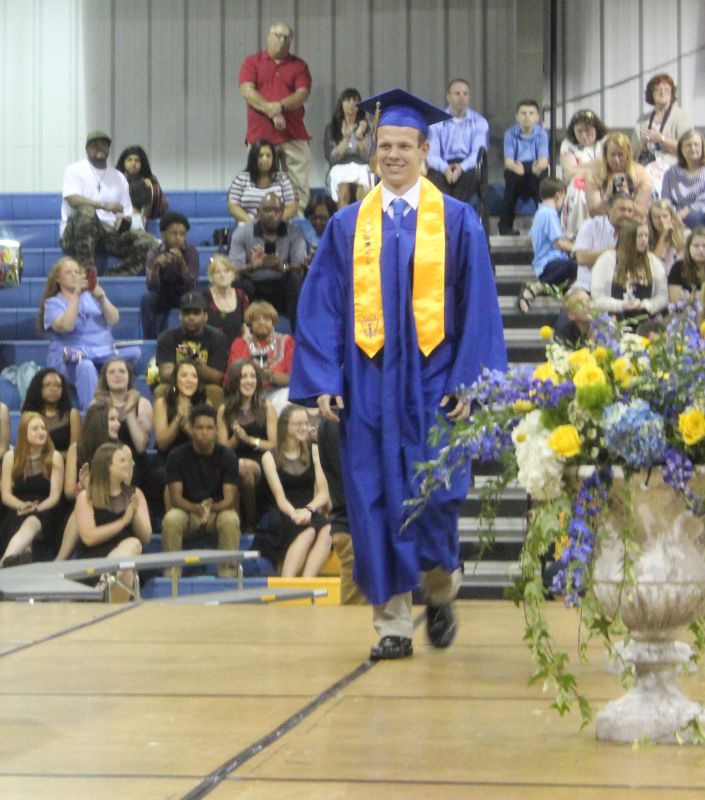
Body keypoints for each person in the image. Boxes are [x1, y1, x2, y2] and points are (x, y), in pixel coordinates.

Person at [289, 88, 507, 660]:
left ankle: (439, 588)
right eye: (384, 145)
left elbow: (479, 306)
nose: (393, 155)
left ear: (425, 150)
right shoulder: (347, 226)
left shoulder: (457, 221)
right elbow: (323, 306)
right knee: (372, 503)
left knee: (436, 500)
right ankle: (391, 625)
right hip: (368, 386)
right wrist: (325, 380)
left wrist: (469, 381)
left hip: (436, 387)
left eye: (404, 146)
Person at [39, 257, 141, 412]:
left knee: (135, 352)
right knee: (85, 366)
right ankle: (93, 415)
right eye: (68, 272)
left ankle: (118, 399)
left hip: (103, 352)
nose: (74, 275)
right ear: (58, 279)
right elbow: (66, 326)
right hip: (72, 359)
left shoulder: (92, 296)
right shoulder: (53, 303)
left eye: (77, 272)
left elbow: (114, 319)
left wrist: (102, 298)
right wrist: (76, 296)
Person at [161, 404, 241, 578]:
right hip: (188, 512)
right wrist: (196, 508)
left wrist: (211, 508)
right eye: (199, 428)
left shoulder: (228, 457)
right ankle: (172, 573)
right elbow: (175, 498)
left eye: (209, 428)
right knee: (171, 519)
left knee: (230, 519)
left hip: (217, 513)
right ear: (191, 429)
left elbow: (229, 499)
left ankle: (228, 573)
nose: (204, 432)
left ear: (216, 430)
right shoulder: (176, 456)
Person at [60, 131, 155, 276]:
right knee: (86, 212)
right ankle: (88, 273)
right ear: (87, 149)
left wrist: (123, 224)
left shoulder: (119, 177)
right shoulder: (75, 170)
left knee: (150, 242)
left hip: (107, 234)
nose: (100, 148)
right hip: (76, 235)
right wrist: (104, 205)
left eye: (104, 145)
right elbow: (72, 200)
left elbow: (126, 213)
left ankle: (114, 276)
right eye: (95, 145)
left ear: (108, 149)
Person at [239, 22, 312, 209]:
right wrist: (271, 111)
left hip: (293, 134)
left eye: (286, 37)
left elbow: (303, 93)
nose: (281, 41)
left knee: (298, 184)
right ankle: (259, 217)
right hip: (260, 136)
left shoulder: (299, 66)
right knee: (259, 181)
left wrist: (280, 106)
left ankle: (297, 218)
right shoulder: (252, 62)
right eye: (277, 36)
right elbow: (247, 90)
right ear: (268, 37)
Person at [254, 405, 331, 577]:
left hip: (308, 509)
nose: (304, 427)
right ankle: (287, 583)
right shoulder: (269, 457)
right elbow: (280, 499)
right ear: (285, 426)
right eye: (298, 424)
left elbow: (324, 493)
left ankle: (307, 582)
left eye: (306, 423)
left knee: (328, 530)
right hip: (283, 512)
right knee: (308, 532)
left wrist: (308, 510)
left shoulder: (314, 451)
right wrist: (295, 514)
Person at [75, 443, 151, 600]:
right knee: (127, 563)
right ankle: (107, 578)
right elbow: (88, 537)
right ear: (108, 466)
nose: (128, 465)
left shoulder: (135, 494)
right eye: (122, 461)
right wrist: (123, 521)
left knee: (133, 544)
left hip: (127, 558)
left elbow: (146, 536)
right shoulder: (87, 496)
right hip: (95, 560)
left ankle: (107, 579)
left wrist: (133, 512)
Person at [229, 193, 307, 332]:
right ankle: (240, 336)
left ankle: (299, 335)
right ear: (258, 213)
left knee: (295, 280)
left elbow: (301, 267)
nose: (272, 214)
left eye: (276, 210)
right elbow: (233, 270)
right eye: (267, 210)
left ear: (282, 212)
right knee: (238, 284)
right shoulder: (242, 233)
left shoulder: (295, 232)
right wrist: (253, 267)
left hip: (282, 288)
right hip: (254, 288)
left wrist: (281, 266)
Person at [217, 359, 277, 530]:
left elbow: (275, 444)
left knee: (245, 467)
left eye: (252, 376)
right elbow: (222, 451)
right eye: (244, 377)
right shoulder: (224, 410)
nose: (249, 381)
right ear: (235, 381)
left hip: (262, 460)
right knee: (240, 467)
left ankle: (250, 522)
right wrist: (237, 438)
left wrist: (248, 439)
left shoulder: (266, 407)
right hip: (232, 460)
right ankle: (242, 523)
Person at [0, 413, 64, 566]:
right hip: (17, 509)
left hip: (46, 510)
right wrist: (23, 506)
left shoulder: (54, 457)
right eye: (35, 429)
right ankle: (16, 562)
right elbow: (6, 495)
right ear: (24, 433)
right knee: (22, 539)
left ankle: (3, 564)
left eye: (43, 428)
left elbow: (54, 497)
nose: (41, 432)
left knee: (31, 522)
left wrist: (35, 509)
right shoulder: (10, 457)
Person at [317, 416, 366, 605]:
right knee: (355, 611)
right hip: (355, 528)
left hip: (353, 525)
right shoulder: (337, 422)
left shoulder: (332, 420)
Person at [154, 292, 228, 407]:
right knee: (161, 390)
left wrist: (195, 359)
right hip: (176, 386)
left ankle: (210, 420)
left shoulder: (218, 338)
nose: (191, 317)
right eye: (186, 313)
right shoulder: (167, 338)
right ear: (180, 316)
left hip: (204, 386)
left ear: (205, 316)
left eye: (196, 312)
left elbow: (217, 378)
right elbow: (164, 375)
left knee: (216, 391)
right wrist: (185, 378)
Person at [517, 178, 577, 313]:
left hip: (542, 263)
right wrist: (577, 248)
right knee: (576, 265)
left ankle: (560, 288)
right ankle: (535, 288)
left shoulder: (539, 213)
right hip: (549, 263)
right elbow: (559, 243)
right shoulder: (550, 213)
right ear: (558, 195)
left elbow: (529, 240)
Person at [591, 219, 668, 324]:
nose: (644, 240)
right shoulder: (606, 259)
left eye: (646, 235)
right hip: (613, 320)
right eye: (639, 236)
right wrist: (623, 305)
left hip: (645, 320)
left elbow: (663, 296)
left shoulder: (653, 261)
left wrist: (646, 305)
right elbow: (597, 298)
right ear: (627, 238)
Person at [426, 78, 489, 205]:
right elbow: (431, 155)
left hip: (467, 165)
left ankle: (454, 211)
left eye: (465, 94)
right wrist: (445, 168)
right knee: (433, 176)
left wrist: (461, 168)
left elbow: (478, 154)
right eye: (457, 94)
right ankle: (449, 211)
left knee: (472, 175)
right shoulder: (436, 122)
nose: (462, 98)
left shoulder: (480, 122)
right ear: (448, 97)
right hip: (443, 164)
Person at [94, 357, 153, 490]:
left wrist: (129, 411)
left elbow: (140, 446)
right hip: (105, 462)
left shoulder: (143, 404)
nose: (117, 375)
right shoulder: (96, 405)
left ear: (129, 376)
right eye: (112, 372)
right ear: (105, 378)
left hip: (135, 463)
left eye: (122, 371)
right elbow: (94, 443)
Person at [631, 73, 693, 197]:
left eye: (667, 89)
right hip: (644, 163)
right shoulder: (642, 120)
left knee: (651, 175)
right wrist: (643, 145)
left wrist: (661, 139)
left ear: (672, 94)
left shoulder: (682, 117)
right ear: (651, 94)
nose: (662, 92)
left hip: (671, 164)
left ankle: (654, 206)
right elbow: (632, 151)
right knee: (620, 180)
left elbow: (689, 148)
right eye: (657, 89)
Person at [140, 211, 200, 339]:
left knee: (195, 298)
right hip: (162, 294)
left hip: (183, 293)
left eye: (182, 234)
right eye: (174, 233)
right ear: (163, 234)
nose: (178, 237)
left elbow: (193, 285)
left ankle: (193, 338)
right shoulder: (154, 252)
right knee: (147, 300)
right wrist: (156, 267)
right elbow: (151, 287)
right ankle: (151, 340)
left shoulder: (191, 251)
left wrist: (182, 265)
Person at [228, 301, 294, 414]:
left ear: (273, 322)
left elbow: (293, 379)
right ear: (250, 323)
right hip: (246, 395)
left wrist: (269, 375)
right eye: (256, 319)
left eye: (267, 319)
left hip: (277, 393)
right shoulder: (240, 344)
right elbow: (232, 377)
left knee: (287, 395)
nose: (262, 322)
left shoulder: (287, 342)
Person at [499, 99, 549, 235]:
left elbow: (544, 161)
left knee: (542, 184)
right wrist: (517, 169)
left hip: (536, 167)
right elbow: (508, 161)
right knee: (511, 183)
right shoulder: (510, 133)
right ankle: (505, 227)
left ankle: (544, 226)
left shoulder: (542, 134)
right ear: (517, 116)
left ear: (537, 117)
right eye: (523, 113)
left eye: (531, 113)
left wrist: (536, 169)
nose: (527, 116)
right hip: (517, 167)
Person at [571, 192, 635, 294]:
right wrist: (616, 250)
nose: (626, 214)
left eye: (630, 211)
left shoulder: (635, 231)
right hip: (588, 286)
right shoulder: (590, 226)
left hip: (621, 289)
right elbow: (582, 259)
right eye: (622, 209)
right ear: (608, 209)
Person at [559, 109, 607, 237]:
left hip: (603, 182)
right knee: (578, 184)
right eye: (579, 131)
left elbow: (607, 167)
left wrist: (579, 167)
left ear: (596, 128)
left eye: (588, 130)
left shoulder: (606, 141)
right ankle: (575, 233)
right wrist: (596, 163)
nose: (584, 135)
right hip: (577, 185)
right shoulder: (568, 144)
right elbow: (569, 173)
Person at [227, 140, 299, 223]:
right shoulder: (241, 178)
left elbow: (292, 207)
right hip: (248, 225)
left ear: (273, 158)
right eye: (260, 155)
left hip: (278, 224)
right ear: (253, 158)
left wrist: (274, 222)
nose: (265, 159)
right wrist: (252, 224)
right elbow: (233, 206)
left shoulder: (283, 178)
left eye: (268, 155)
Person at [323, 88, 373, 207]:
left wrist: (360, 138)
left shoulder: (365, 126)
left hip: (361, 166)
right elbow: (331, 158)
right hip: (339, 166)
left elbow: (368, 157)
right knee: (343, 190)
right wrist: (346, 138)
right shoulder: (332, 128)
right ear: (341, 103)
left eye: (355, 100)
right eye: (348, 100)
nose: (351, 103)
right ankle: (343, 217)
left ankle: (362, 217)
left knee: (364, 189)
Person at [586, 132, 652, 219]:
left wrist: (625, 195)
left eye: (620, 155)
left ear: (628, 155)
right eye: (613, 155)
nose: (616, 160)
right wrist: (608, 196)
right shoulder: (594, 175)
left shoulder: (641, 174)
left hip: (632, 223)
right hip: (605, 222)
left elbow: (642, 212)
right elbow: (594, 213)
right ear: (606, 155)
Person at [153, 360, 208, 458]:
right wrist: (178, 419)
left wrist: (188, 428)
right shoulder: (162, 404)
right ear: (176, 381)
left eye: (194, 376)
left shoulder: (205, 403)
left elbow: (207, 445)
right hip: (167, 459)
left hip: (197, 459)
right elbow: (162, 444)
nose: (189, 380)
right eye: (184, 375)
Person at [21, 368, 81, 457]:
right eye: (48, 385)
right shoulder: (28, 415)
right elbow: (23, 449)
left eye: (58, 386)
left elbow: (75, 452)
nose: (53, 389)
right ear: (38, 388)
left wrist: (52, 458)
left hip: (65, 463)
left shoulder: (72, 414)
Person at [200, 255, 249, 347]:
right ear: (211, 277)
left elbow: (246, 325)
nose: (222, 275)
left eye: (226, 271)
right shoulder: (204, 297)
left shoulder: (240, 295)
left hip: (237, 348)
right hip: (211, 347)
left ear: (233, 275)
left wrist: (242, 345)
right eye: (217, 272)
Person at [661, 129, 705, 230]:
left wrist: (687, 210)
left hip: (700, 213)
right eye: (688, 145)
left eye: (696, 145)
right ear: (681, 149)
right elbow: (666, 199)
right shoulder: (671, 173)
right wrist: (672, 215)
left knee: (693, 217)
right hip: (676, 214)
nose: (692, 148)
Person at [115, 145, 169, 219]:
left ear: (142, 163)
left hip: (145, 217)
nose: (133, 163)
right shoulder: (116, 179)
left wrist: (151, 189)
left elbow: (163, 204)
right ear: (123, 163)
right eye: (129, 160)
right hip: (120, 216)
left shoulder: (151, 179)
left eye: (137, 160)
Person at [647, 199, 686, 276]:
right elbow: (654, 263)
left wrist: (676, 234)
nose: (661, 220)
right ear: (651, 220)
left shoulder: (685, 234)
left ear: (671, 217)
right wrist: (663, 235)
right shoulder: (646, 237)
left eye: (665, 216)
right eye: (656, 217)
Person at [668, 228, 705, 305]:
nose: (701, 250)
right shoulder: (678, 267)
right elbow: (675, 300)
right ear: (688, 248)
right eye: (696, 246)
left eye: (704, 246)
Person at [302, 195, 337, 261]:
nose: (318, 222)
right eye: (313, 218)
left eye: (322, 218)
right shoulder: (306, 237)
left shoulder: (339, 240)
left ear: (332, 217)